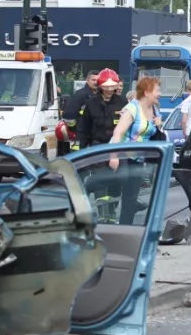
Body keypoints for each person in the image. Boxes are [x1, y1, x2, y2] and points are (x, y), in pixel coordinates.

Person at [106, 76, 164, 225]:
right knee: (123, 186)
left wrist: (158, 125)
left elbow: (154, 136)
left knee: (131, 197)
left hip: (138, 158)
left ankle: (126, 228)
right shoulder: (132, 108)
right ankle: (96, 187)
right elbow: (118, 132)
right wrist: (114, 157)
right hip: (122, 154)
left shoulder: (155, 110)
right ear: (146, 92)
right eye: (157, 90)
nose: (160, 94)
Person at [77, 68, 127, 149]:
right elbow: (84, 127)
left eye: (112, 87)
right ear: (100, 87)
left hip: (118, 145)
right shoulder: (92, 103)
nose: (109, 91)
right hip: (97, 146)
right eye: (106, 88)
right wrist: (83, 147)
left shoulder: (123, 103)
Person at [62, 70, 100, 151]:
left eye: (97, 80)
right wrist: (75, 129)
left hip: (96, 137)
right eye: (93, 80)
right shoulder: (80, 95)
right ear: (87, 80)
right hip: (81, 137)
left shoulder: (101, 95)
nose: (96, 82)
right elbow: (69, 116)